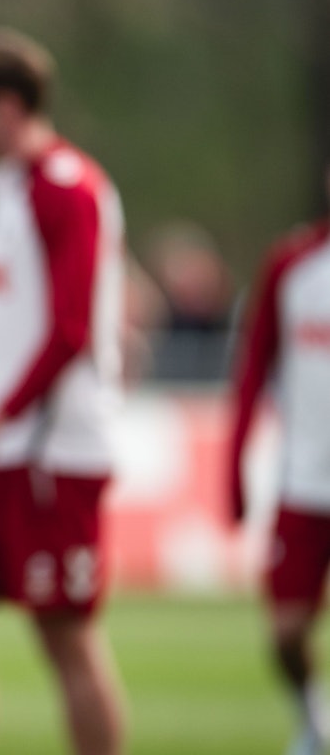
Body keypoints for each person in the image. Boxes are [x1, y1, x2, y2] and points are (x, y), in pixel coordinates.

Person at [0, 28, 126, 755]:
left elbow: (69, 332)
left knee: (64, 636)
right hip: (2, 446)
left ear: (5, 107)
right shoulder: (6, 190)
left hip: (54, 453)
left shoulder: (66, 188)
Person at [228, 164, 330, 755]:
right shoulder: (292, 265)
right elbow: (252, 371)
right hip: (304, 486)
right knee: (287, 633)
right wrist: (234, 468)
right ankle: (312, 722)